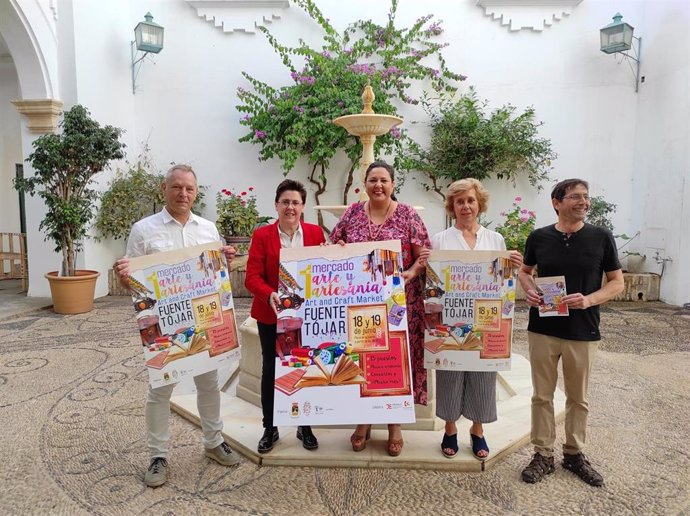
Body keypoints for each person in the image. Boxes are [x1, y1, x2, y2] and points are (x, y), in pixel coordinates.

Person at [114, 164, 240, 488]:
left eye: (189, 188)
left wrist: (223, 260)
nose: (183, 193)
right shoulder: (143, 230)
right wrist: (125, 278)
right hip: (164, 323)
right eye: (177, 187)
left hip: (202, 318)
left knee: (210, 383)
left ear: (196, 192)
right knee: (160, 390)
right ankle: (158, 456)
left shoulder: (208, 229)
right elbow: (134, 284)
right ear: (164, 189)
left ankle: (213, 441)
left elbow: (215, 274)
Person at [518, 178, 623, 487]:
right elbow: (525, 273)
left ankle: (574, 453)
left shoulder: (601, 237)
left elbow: (617, 282)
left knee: (579, 399)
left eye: (585, 197)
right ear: (557, 202)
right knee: (542, 396)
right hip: (543, 328)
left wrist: (589, 299)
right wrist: (530, 290)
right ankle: (543, 454)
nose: (583, 202)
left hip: (583, 329)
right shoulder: (539, 237)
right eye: (575, 197)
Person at [330, 160, 430, 456]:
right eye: (373, 180)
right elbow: (332, 243)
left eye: (384, 180)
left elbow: (423, 253)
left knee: (396, 362)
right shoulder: (351, 214)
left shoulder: (408, 215)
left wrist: (412, 271)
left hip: (401, 305)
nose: (378, 186)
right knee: (363, 360)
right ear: (365, 183)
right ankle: (363, 421)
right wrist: (339, 250)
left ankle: (395, 426)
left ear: (392, 184)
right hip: (362, 305)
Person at [431, 179, 523, 460]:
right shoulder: (440, 239)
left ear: (479, 204)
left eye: (470, 200)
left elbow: (502, 281)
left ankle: (478, 430)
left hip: (485, 319)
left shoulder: (495, 239)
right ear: (452, 206)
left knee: (483, 372)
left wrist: (514, 265)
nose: (465, 206)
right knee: (450, 371)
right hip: (450, 317)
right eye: (459, 201)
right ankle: (449, 429)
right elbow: (433, 281)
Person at [245, 179, 326, 453]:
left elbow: (324, 269)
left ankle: (305, 426)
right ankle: (271, 427)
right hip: (270, 315)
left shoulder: (315, 234)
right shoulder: (262, 235)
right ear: (276, 205)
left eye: (295, 202)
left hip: (306, 317)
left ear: (303, 207)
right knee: (272, 369)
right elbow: (251, 277)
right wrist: (269, 294)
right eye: (285, 202)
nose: (290, 207)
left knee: (304, 367)